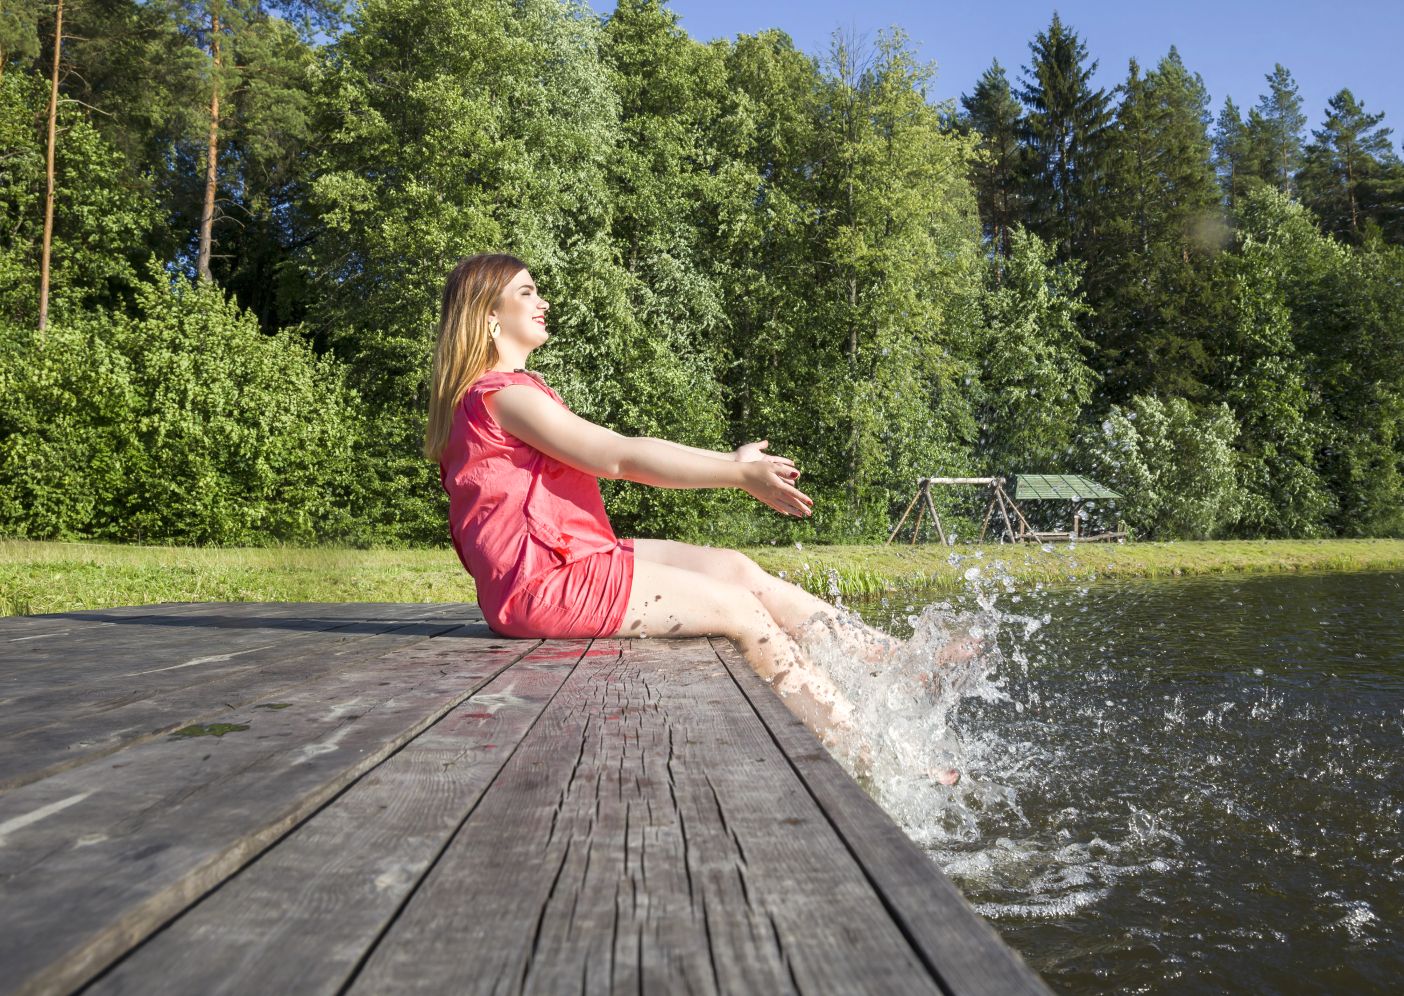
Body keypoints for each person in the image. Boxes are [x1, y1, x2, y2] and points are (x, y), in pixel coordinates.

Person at [425, 253, 956, 780]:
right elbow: (620, 458)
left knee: (734, 568)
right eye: (526, 292)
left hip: (573, 558)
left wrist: (732, 461)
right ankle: (875, 758)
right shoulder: (502, 396)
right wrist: (739, 477)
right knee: (741, 611)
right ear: (488, 316)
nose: (543, 301)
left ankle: (895, 660)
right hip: (544, 584)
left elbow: (625, 445)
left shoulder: (510, 392)